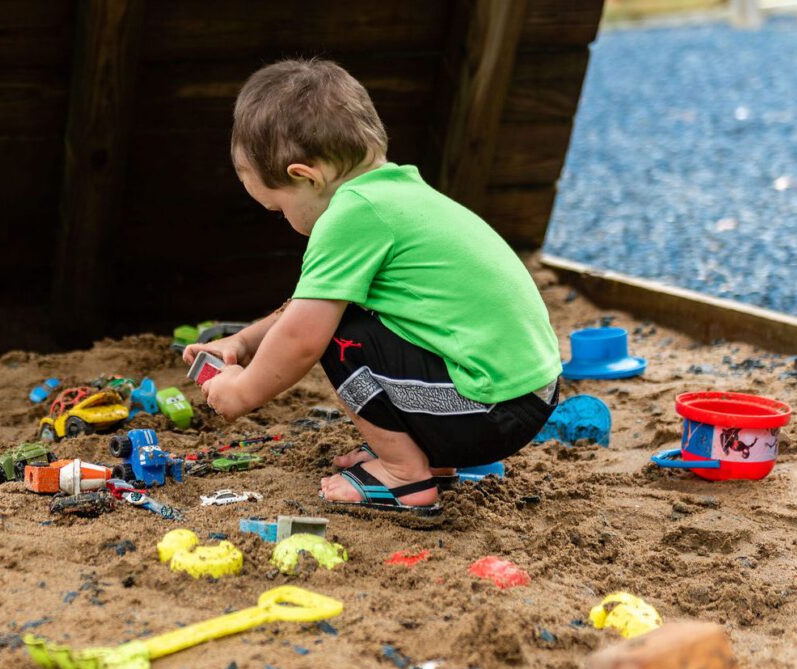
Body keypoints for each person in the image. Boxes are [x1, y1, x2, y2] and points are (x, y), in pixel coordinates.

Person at [183, 59, 561, 513]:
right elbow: (306, 305)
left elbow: (303, 336)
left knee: (339, 338)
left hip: (489, 410)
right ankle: (425, 457)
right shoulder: (397, 193)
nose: (283, 221)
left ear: (305, 176)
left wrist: (243, 392)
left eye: (277, 208)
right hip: (522, 393)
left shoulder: (351, 215)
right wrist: (244, 342)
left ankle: (404, 475)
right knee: (342, 315)